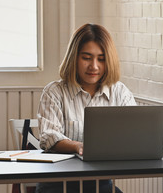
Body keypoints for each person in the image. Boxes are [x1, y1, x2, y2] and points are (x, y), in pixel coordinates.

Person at [36, 23, 136, 193]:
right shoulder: (54, 92)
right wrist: (78, 146)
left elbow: (134, 133)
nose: (94, 66)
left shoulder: (120, 92)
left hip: (100, 184)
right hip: (57, 184)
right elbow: (49, 137)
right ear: (74, 58)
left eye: (101, 59)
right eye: (87, 57)